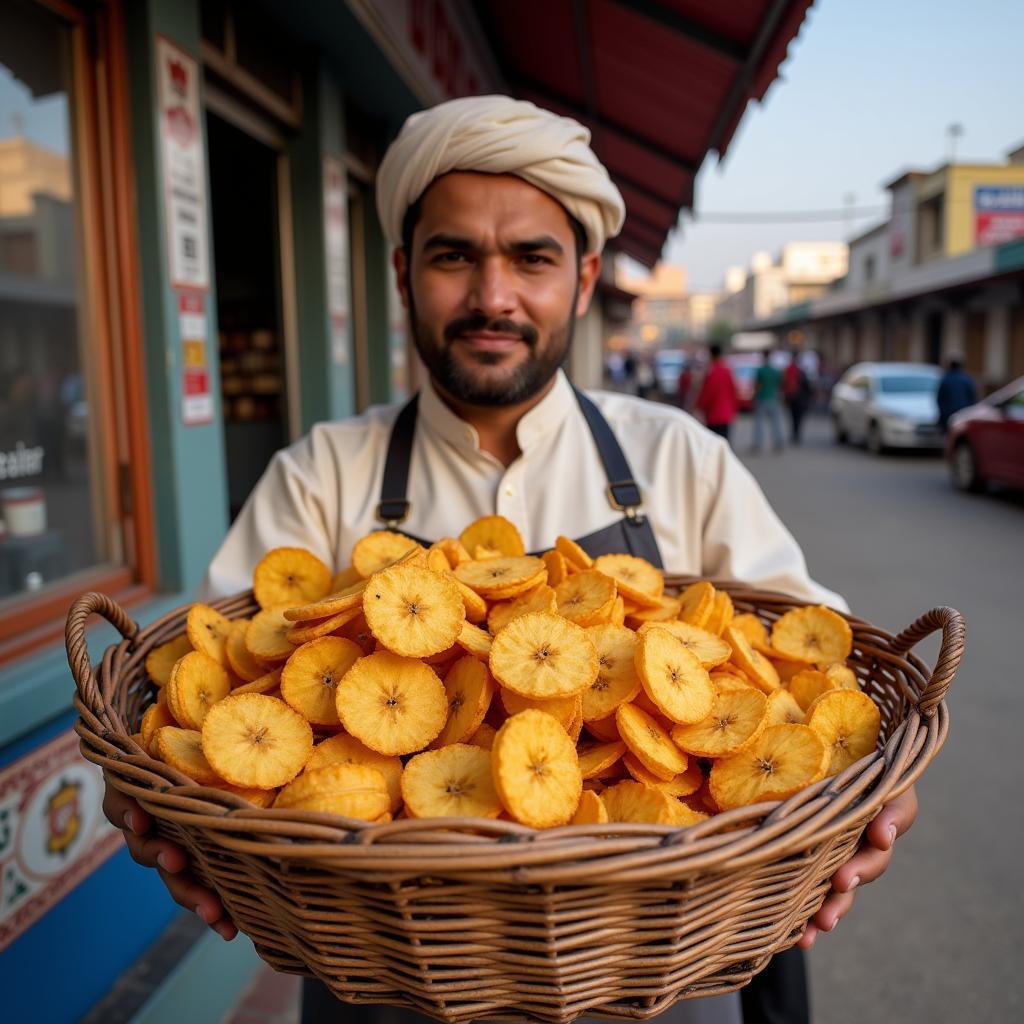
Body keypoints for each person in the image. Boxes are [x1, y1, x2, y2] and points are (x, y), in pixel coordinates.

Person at [101, 95, 917, 1024]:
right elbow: (198, 695)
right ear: (405, 275)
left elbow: (825, 674)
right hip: (384, 973)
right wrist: (167, 804)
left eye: (532, 257)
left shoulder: (679, 457)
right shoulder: (323, 473)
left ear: (583, 277)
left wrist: (874, 798)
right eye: (455, 256)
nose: (493, 296)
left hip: (659, 976)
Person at [694, 345, 738, 443]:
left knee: (714, 442)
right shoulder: (727, 371)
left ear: (711, 355)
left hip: (714, 415)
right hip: (726, 414)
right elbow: (733, 392)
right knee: (725, 442)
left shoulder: (711, 372)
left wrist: (698, 406)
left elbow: (707, 394)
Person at [752, 351, 785, 452]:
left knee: (759, 423)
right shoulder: (775, 371)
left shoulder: (760, 371)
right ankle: (778, 443)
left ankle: (758, 444)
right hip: (773, 397)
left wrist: (755, 396)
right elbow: (780, 385)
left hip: (762, 397)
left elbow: (757, 385)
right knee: (776, 422)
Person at [936, 357, 977, 430]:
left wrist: (942, 413)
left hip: (948, 413)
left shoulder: (946, 379)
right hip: (963, 412)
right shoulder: (966, 379)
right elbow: (972, 397)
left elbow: (940, 398)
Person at [782, 357, 813, 445]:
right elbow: (808, 387)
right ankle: (797, 435)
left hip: (792, 398)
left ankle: (794, 435)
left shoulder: (789, 371)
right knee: (799, 419)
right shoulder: (802, 372)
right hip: (801, 400)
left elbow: (784, 384)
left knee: (793, 418)